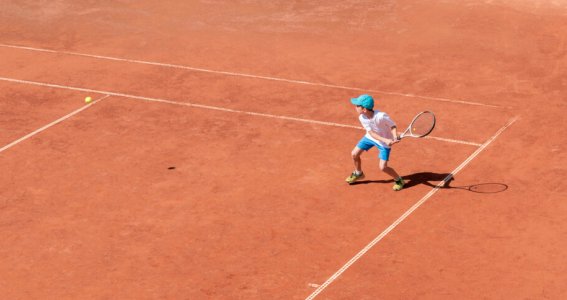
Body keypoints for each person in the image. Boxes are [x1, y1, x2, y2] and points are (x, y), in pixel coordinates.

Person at [345, 94, 405, 191]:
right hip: (371, 138)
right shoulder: (362, 117)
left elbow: (393, 126)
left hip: (383, 144)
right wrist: (386, 140)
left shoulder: (381, 116)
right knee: (354, 154)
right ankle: (358, 173)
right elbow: (372, 134)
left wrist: (394, 136)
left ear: (364, 109)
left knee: (383, 167)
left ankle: (399, 180)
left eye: (357, 106)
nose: (355, 107)